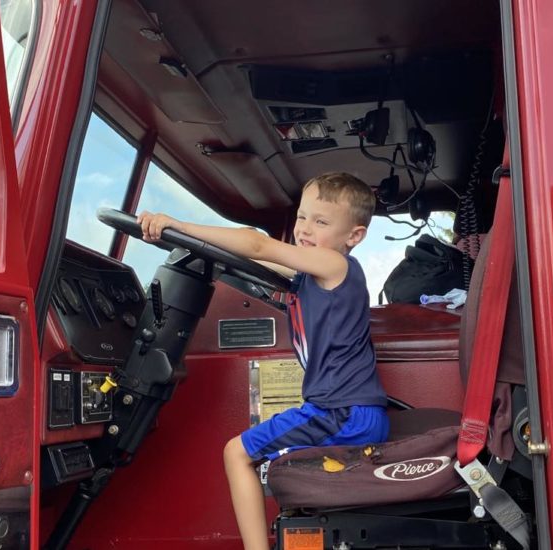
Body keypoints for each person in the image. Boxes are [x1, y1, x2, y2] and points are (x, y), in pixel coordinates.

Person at [137, 172, 389, 550]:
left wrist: (176, 225)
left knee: (236, 452)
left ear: (353, 237)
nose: (305, 229)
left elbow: (256, 244)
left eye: (321, 222)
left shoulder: (335, 266)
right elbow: (255, 255)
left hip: (342, 413)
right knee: (260, 451)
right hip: (346, 411)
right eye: (302, 217)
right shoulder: (311, 273)